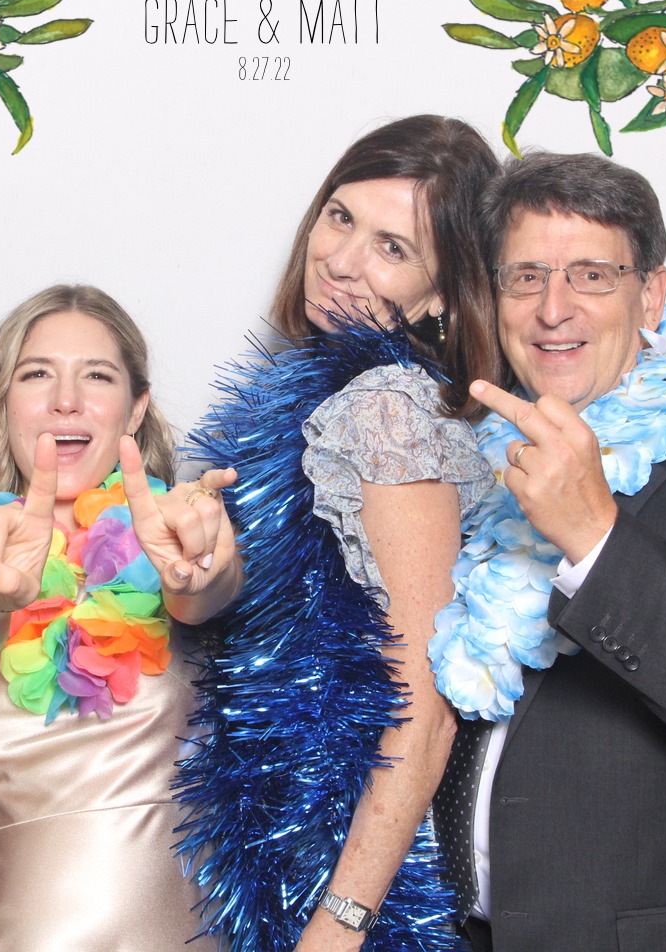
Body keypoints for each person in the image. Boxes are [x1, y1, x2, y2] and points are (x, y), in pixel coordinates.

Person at [174, 115, 504, 951]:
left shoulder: (389, 410)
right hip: (288, 848)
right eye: (340, 217)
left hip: (360, 880)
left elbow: (424, 709)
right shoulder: (305, 392)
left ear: (442, 292)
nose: (342, 259)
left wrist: (342, 923)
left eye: (393, 248)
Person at [428, 151, 666, 952]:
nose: (554, 310)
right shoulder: (459, 462)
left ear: (650, 294)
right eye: (526, 277)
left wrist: (596, 536)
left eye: (591, 275)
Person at [0, 284, 241, 952]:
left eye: (97, 376)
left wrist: (201, 572)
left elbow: (209, 593)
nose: (66, 400)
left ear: (135, 407)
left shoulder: (188, 534)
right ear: (2, 401)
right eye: (36, 374)